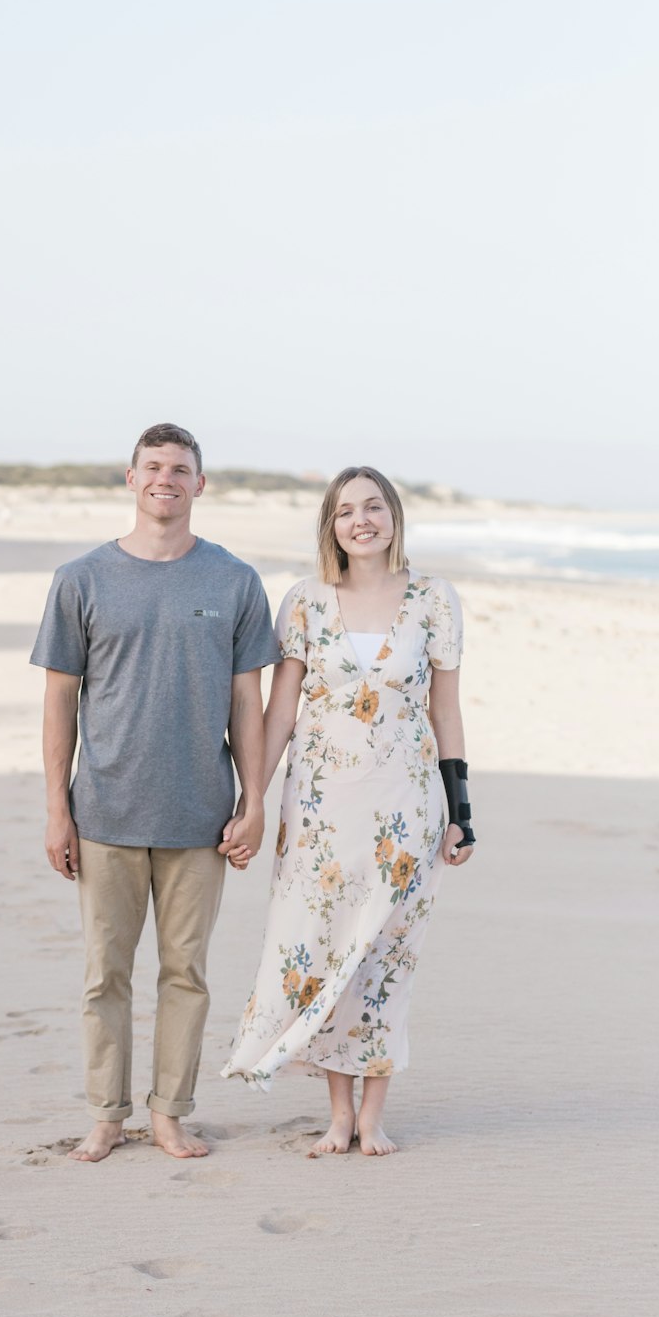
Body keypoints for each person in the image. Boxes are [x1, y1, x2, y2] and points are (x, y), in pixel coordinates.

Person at [31, 423, 280, 1163]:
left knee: (186, 974)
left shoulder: (234, 581)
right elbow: (58, 703)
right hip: (104, 811)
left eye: (181, 468)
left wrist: (253, 800)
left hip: (200, 815)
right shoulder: (81, 579)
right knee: (105, 973)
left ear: (200, 485)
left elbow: (247, 703)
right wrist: (57, 809)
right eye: (153, 466)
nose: (166, 478)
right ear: (130, 479)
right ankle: (107, 1114)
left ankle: (170, 1112)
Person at [222, 466, 475, 1156]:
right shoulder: (305, 602)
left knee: (387, 953)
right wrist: (254, 798)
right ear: (330, 527)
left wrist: (462, 810)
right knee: (325, 949)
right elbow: (280, 713)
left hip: (407, 808)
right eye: (344, 512)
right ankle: (338, 1115)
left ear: (394, 516)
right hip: (320, 809)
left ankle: (374, 1116)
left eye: (373, 507)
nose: (360, 520)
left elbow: (444, 710)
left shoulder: (434, 600)